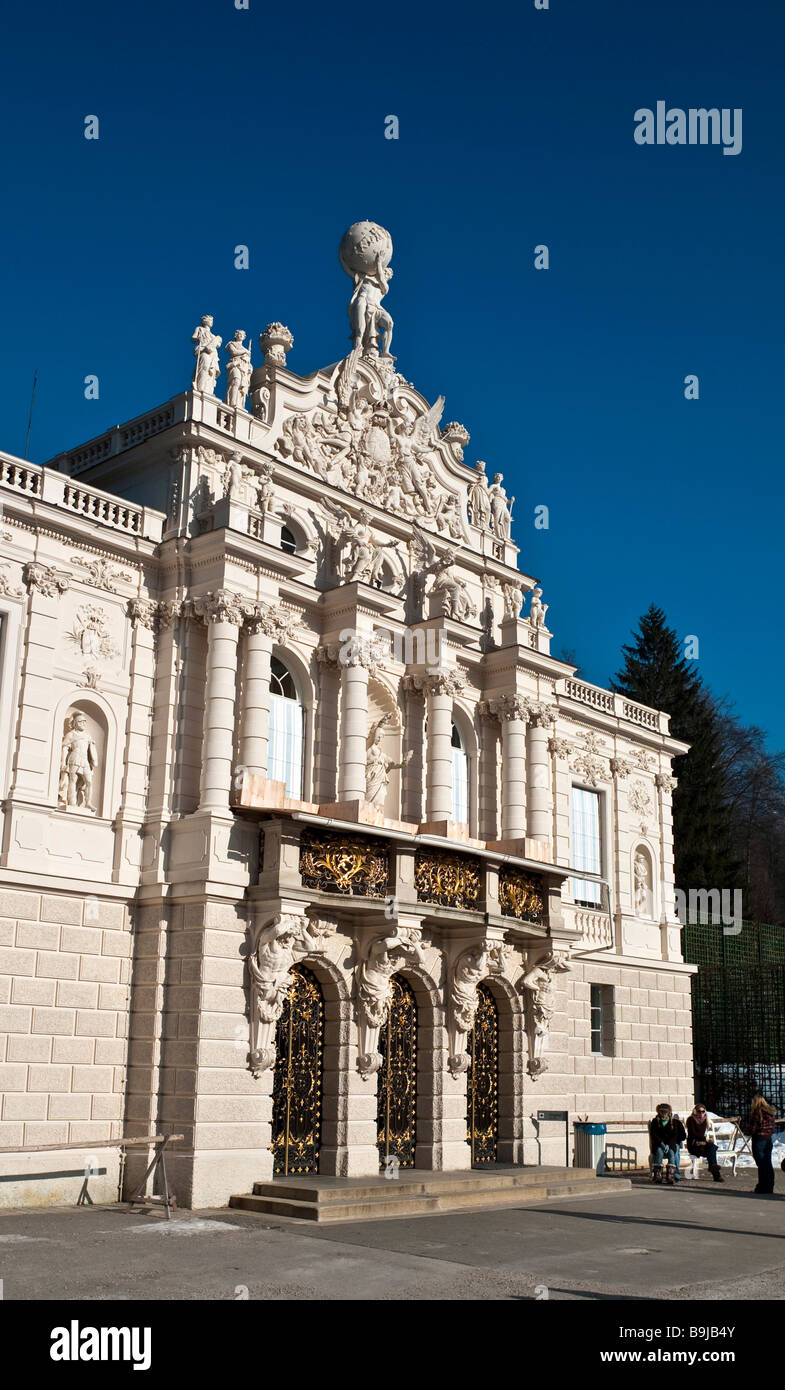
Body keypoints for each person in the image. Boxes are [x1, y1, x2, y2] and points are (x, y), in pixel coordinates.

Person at [743, 1091, 777, 1194]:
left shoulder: (757, 1113)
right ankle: (769, 1186)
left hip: (759, 1140)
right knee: (767, 1163)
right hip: (768, 1139)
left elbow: (752, 1129)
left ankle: (762, 1187)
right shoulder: (770, 1113)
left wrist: (746, 1131)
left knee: (761, 1164)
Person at [649, 1102, 686, 1185]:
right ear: (659, 1112)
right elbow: (654, 1135)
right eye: (662, 1112)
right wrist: (662, 1144)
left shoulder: (673, 1122)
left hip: (670, 1144)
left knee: (672, 1154)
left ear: (669, 1113)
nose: (664, 1114)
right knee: (659, 1152)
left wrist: (669, 1144)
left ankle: (670, 1176)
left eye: (665, 1112)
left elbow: (674, 1135)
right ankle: (658, 1176)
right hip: (659, 1144)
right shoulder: (655, 1121)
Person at [686, 1103, 724, 1182]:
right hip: (694, 1144)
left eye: (703, 1111)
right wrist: (704, 1140)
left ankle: (713, 1170)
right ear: (695, 1111)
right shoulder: (691, 1119)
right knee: (711, 1147)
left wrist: (704, 1140)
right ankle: (716, 1175)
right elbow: (695, 1134)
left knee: (711, 1149)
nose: (701, 1113)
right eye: (699, 1111)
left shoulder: (704, 1120)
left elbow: (701, 1135)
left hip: (702, 1144)